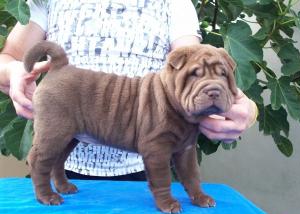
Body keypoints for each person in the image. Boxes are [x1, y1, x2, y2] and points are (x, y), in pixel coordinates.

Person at [0, 0, 257, 181]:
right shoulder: (47, 1)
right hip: (65, 162)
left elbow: (195, 70)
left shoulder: (174, 3)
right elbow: (7, 57)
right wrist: (12, 72)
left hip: (142, 166)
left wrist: (248, 110)